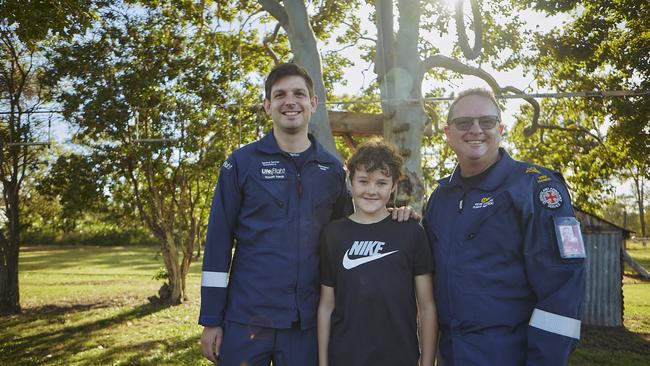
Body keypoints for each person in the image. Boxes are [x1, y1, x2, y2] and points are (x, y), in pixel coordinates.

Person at [199, 63, 413, 365]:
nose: (290, 101)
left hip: (307, 324)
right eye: (280, 94)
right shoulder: (241, 164)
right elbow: (218, 244)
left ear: (313, 103)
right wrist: (211, 318)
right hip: (246, 319)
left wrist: (392, 218)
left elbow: (350, 233)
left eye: (299, 94)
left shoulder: (332, 170)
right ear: (267, 105)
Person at [423, 88, 586, 365]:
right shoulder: (441, 197)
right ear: (447, 133)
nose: (476, 130)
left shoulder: (536, 189)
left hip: (512, 355)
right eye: (464, 123)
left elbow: (562, 292)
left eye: (486, 122)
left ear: (500, 128)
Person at [317, 141, 437, 366]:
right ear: (350, 183)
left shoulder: (411, 232)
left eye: (381, 183)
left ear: (393, 186)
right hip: (344, 358)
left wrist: (427, 362)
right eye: (363, 181)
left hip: (400, 357)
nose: (371, 190)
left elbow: (427, 306)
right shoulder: (333, 234)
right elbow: (326, 305)